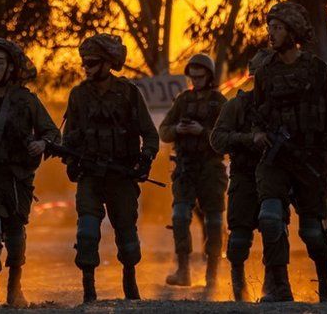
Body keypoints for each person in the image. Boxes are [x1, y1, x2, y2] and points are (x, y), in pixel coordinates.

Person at [251, 2, 327, 302]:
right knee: (269, 217)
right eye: (270, 28)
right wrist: (257, 134)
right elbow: (255, 114)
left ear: (292, 32)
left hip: (309, 156)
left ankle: (326, 279)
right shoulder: (265, 71)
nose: (271, 34)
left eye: (277, 28)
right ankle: (278, 285)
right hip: (276, 159)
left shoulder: (317, 69)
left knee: (312, 231)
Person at [60, 33, 159, 303]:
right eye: (84, 63)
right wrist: (70, 162)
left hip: (121, 176)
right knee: (87, 232)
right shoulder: (78, 95)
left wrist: (144, 160)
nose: (87, 68)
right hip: (90, 176)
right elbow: (68, 138)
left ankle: (130, 278)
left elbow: (150, 135)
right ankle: (88, 288)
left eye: (92, 63)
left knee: (127, 235)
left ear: (107, 63)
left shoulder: (128, 93)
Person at [0, 38, 60, 306]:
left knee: (15, 239)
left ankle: (14, 288)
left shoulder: (27, 101)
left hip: (18, 181)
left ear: (11, 68)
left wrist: (42, 143)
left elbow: (53, 133)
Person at [159, 53, 227, 292]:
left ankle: (213, 275)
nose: (196, 80)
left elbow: (227, 137)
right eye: (193, 77)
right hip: (185, 168)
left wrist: (202, 132)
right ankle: (183, 270)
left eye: (200, 76)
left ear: (209, 76)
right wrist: (178, 129)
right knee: (179, 217)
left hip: (211, 168)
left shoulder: (219, 102)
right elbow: (163, 131)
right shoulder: (183, 101)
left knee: (214, 222)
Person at [208, 50, 271, 301]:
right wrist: (248, 139)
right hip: (244, 176)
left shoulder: (287, 107)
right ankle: (238, 286)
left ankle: (273, 285)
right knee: (239, 239)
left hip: (275, 176)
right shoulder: (237, 105)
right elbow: (217, 139)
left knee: (275, 230)